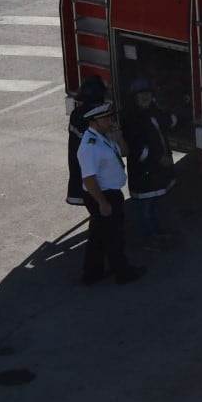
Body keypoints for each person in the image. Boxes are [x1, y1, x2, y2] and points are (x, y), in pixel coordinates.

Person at [76, 100, 143, 286]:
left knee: (98, 236)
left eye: (110, 117)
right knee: (114, 237)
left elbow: (124, 152)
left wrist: (119, 137)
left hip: (110, 193)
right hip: (103, 195)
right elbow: (89, 179)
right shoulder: (90, 146)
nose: (110, 121)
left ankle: (91, 273)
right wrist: (102, 203)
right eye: (105, 119)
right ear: (93, 123)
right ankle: (123, 273)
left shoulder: (103, 137)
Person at [122, 78, 178, 249]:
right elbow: (137, 146)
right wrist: (158, 158)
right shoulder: (131, 119)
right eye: (142, 95)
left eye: (148, 94)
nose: (145, 97)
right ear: (135, 98)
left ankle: (158, 232)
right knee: (145, 209)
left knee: (156, 204)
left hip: (156, 173)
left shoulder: (154, 112)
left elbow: (170, 121)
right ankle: (149, 238)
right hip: (144, 173)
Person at [65, 76, 108, 208]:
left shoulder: (77, 115)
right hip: (90, 174)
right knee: (98, 209)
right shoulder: (88, 120)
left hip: (82, 170)